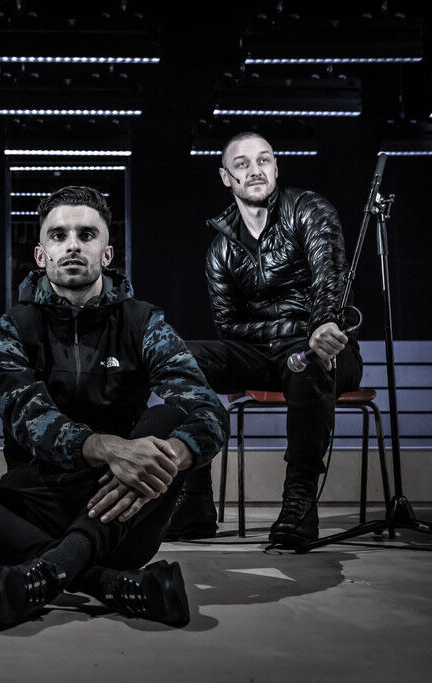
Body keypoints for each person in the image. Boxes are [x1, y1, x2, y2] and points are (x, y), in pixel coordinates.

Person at [0, 186, 227, 630]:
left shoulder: (144, 322)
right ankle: (107, 583)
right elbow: (28, 418)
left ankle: (45, 575)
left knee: (167, 420)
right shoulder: (11, 328)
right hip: (34, 505)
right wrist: (110, 448)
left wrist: (171, 457)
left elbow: (208, 409)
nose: (73, 245)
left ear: (107, 253)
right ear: (41, 255)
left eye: (87, 234)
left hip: (123, 511)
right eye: (59, 235)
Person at [165, 131, 362, 550]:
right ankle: (194, 500)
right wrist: (286, 333)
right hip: (264, 356)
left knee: (309, 362)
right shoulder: (221, 249)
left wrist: (322, 326)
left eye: (264, 160)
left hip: (325, 352)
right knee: (181, 359)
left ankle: (299, 500)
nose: (255, 170)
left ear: (275, 167)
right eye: (242, 163)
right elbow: (228, 326)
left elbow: (329, 279)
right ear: (226, 177)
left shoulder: (308, 209)